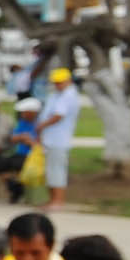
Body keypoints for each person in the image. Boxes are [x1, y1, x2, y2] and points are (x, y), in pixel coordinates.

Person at [39, 66, 85, 207]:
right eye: (56, 82)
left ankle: (58, 201)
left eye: (60, 82)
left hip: (59, 139)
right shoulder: (57, 94)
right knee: (50, 170)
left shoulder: (69, 95)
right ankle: (52, 199)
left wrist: (42, 125)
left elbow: (59, 115)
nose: (57, 85)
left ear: (68, 81)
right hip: (50, 138)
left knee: (57, 170)